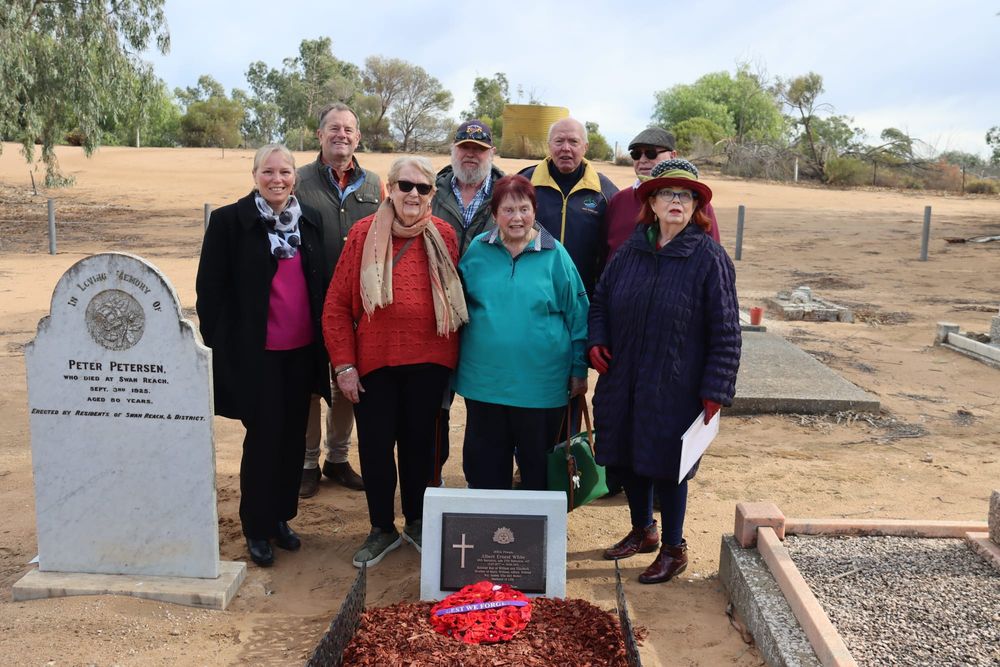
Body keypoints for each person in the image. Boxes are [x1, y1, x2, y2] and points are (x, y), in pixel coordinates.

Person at [588, 159, 740, 584]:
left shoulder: (709, 258)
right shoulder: (630, 251)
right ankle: (644, 530)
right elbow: (600, 301)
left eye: (686, 195)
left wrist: (716, 389)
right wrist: (596, 339)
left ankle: (675, 547)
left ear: (697, 207)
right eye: (667, 194)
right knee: (629, 457)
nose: (676, 201)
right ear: (651, 202)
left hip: (678, 385)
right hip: (625, 377)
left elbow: (726, 329)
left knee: (670, 465)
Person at [322, 156, 468, 568]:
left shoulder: (443, 234)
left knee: (421, 446)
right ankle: (381, 527)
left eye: (423, 188)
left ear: (433, 195)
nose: (413, 195)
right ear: (389, 188)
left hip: (430, 361)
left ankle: (418, 523)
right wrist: (344, 366)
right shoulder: (363, 233)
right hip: (375, 362)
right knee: (376, 446)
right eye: (406, 186)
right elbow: (335, 306)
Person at [196, 144, 330, 567]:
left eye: (285, 172)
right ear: (255, 175)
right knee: (264, 440)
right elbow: (209, 295)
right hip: (257, 357)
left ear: (295, 176)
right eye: (268, 172)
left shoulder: (311, 219)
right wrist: (225, 350)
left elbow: (319, 283)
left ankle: (280, 519)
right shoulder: (228, 222)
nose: (277, 179)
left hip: (301, 352)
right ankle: (256, 526)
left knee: (293, 439)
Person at [454, 174, 589, 490]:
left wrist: (579, 368)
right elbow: (456, 305)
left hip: (541, 386)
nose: (517, 218)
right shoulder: (477, 249)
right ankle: (488, 530)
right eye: (508, 210)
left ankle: (535, 536)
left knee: (538, 470)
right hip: (484, 382)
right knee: (485, 466)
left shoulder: (556, 255)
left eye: (524, 209)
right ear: (495, 213)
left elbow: (578, 315)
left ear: (535, 210)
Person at [296, 103, 382, 498]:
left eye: (349, 129)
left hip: (358, 306)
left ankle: (338, 458)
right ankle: (309, 462)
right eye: (333, 128)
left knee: (348, 383)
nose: (341, 135)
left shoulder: (375, 184)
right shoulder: (298, 181)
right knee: (312, 386)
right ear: (320, 135)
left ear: (358, 138)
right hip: (309, 301)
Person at [430, 119, 505, 484]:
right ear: (454, 150)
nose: (471, 155)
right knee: (435, 406)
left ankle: (483, 483)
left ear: (491, 153)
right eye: (465, 148)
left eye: (479, 149)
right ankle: (432, 478)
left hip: (488, 317)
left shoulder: (509, 193)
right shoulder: (431, 189)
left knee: (485, 408)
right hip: (436, 317)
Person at [518, 118, 618, 297]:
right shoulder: (524, 182)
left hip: (584, 294)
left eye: (573, 141)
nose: (566, 148)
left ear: (585, 147)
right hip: (531, 292)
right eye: (559, 141)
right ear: (549, 146)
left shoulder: (605, 191)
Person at [606, 128, 720, 258]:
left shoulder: (696, 203)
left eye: (651, 153)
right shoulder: (618, 200)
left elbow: (713, 256)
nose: (642, 160)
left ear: (673, 156)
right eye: (636, 154)